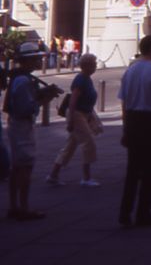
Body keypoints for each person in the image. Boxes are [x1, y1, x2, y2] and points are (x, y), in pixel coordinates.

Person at [117, 33, 151, 228]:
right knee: (150, 170)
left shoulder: (130, 71)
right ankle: (144, 212)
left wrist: (126, 128)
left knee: (132, 170)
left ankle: (125, 213)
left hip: (133, 120)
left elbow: (124, 103)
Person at [4, 41, 59, 220]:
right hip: (22, 126)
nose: (39, 62)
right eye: (36, 59)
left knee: (17, 167)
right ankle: (23, 207)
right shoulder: (23, 81)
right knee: (25, 168)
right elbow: (26, 109)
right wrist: (45, 98)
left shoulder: (20, 78)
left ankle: (15, 206)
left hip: (17, 125)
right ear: (27, 61)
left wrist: (42, 93)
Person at [46, 53, 102, 187]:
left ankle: (53, 175)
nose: (95, 66)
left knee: (70, 145)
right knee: (88, 143)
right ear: (87, 66)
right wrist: (71, 120)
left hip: (84, 113)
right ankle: (86, 177)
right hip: (77, 114)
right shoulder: (80, 80)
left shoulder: (86, 79)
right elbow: (73, 101)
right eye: (93, 64)